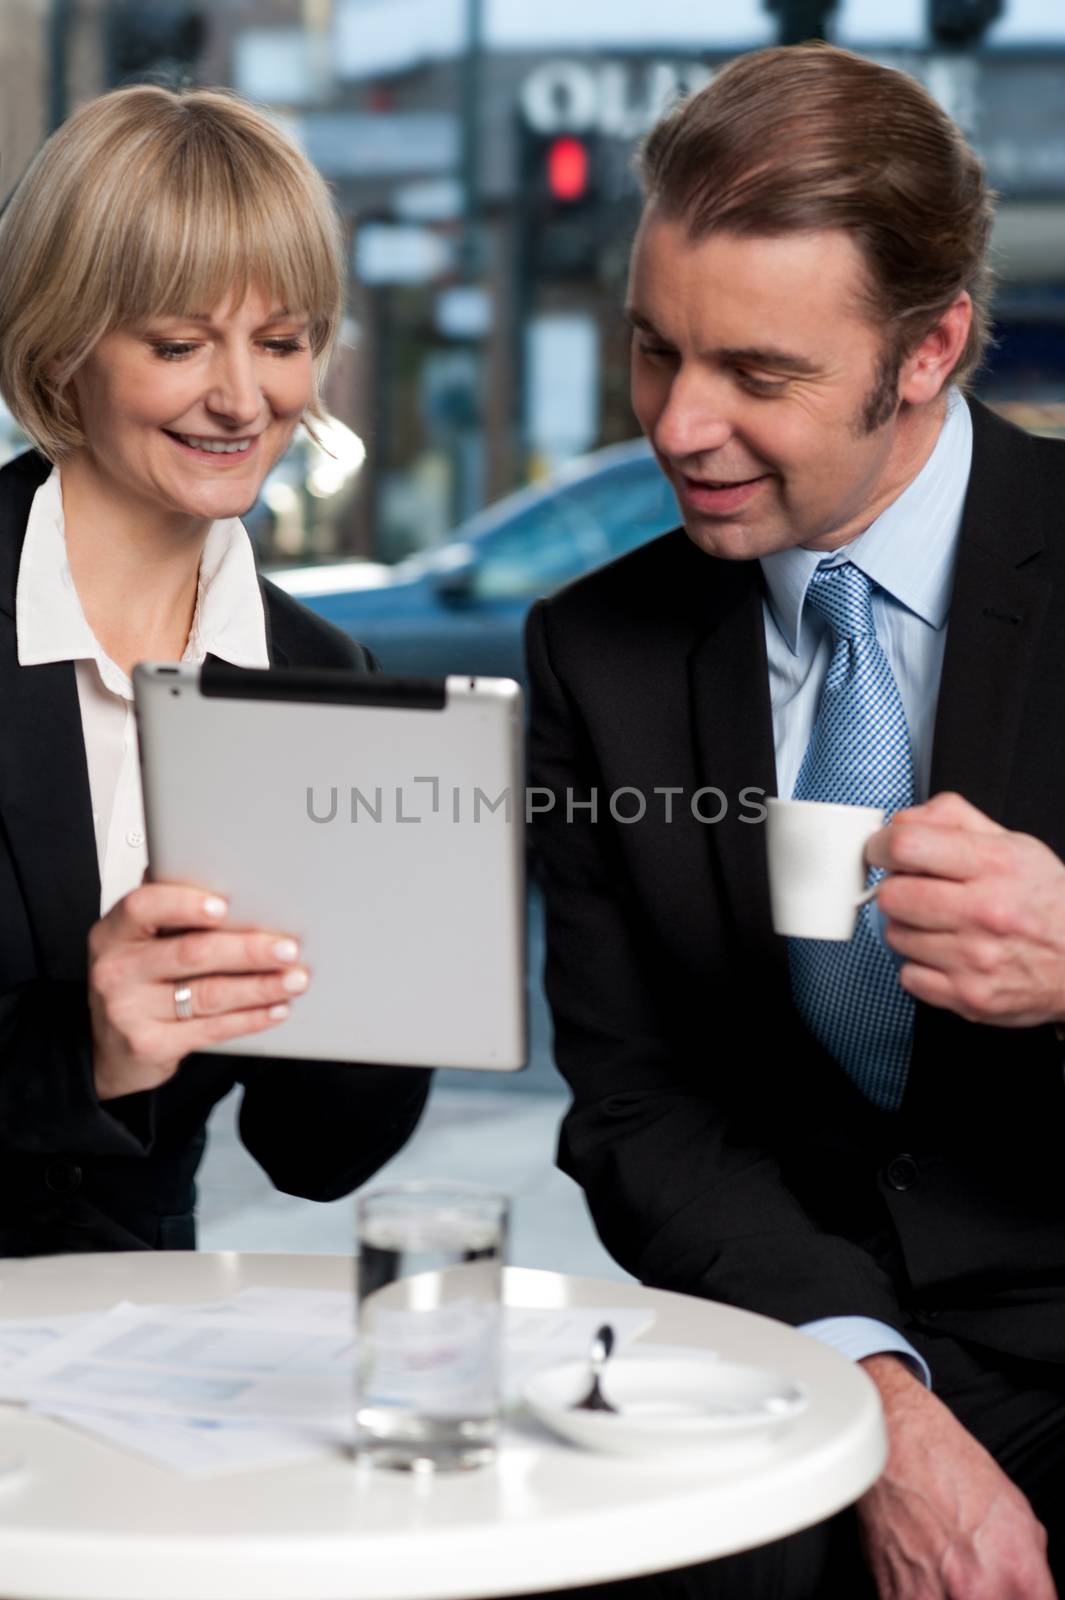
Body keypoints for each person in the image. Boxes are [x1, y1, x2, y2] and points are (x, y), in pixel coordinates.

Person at [527, 43, 1065, 1600]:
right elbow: (636, 1108)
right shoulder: (594, 648)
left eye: (758, 376)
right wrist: (881, 1400)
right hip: (793, 1355)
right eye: (652, 352)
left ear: (929, 349)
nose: (680, 428)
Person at [0, 85, 430, 1256]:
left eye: (283, 343)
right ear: (61, 341)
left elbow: (318, 1155)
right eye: (181, 344)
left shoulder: (319, 674)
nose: (245, 398)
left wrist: (408, 948)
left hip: (134, 1330)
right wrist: (77, 1051)